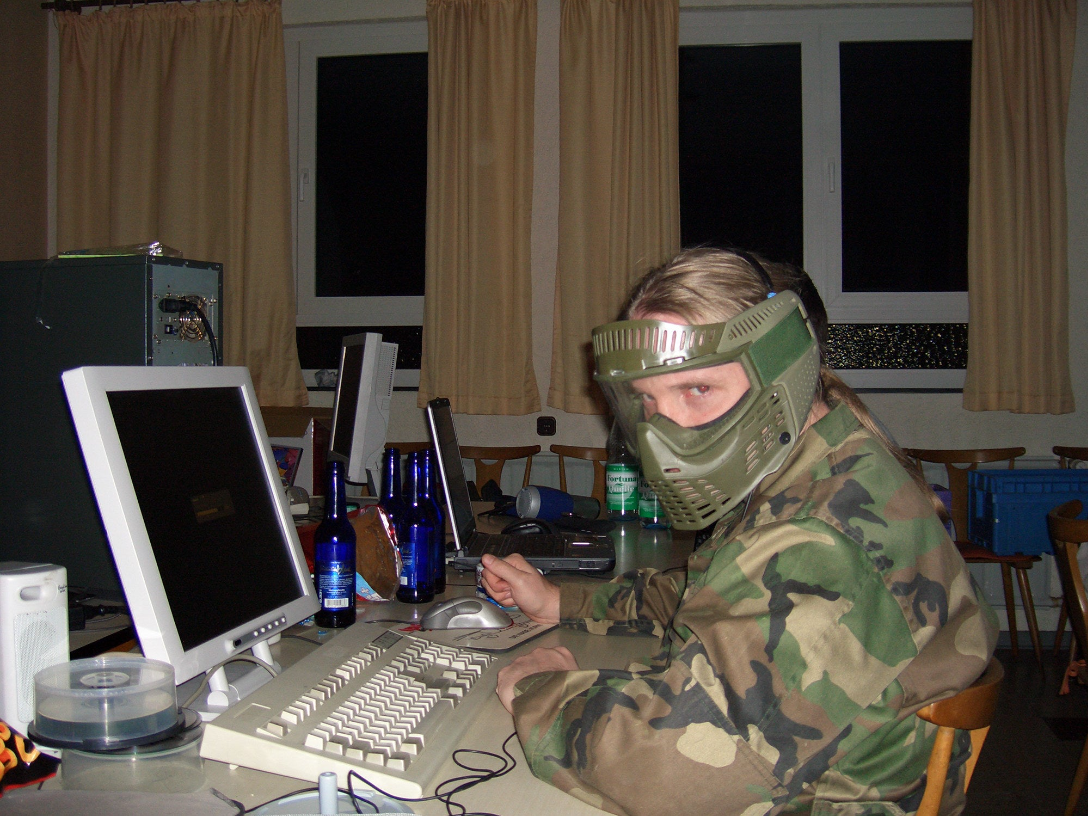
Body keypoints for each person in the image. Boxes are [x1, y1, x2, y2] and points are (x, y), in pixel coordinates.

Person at [481, 247, 998, 816]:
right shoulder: (806, 470)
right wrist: (566, 600)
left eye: (698, 391)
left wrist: (538, 687)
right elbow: (714, 593)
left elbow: (671, 773)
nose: (663, 435)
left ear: (784, 373)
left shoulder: (822, 541)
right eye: (648, 402)